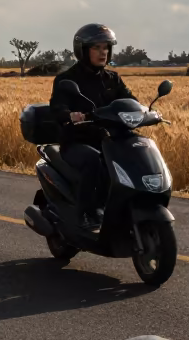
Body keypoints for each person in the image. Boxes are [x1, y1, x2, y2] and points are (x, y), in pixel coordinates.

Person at [50, 23, 135, 228]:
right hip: (77, 142)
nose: (103, 52)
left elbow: (130, 100)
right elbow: (57, 107)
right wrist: (70, 115)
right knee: (94, 160)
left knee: (137, 150)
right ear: (83, 50)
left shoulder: (112, 78)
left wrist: (144, 112)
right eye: (96, 48)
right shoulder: (67, 79)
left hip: (107, 138)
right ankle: (87, 213)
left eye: (105, 47)